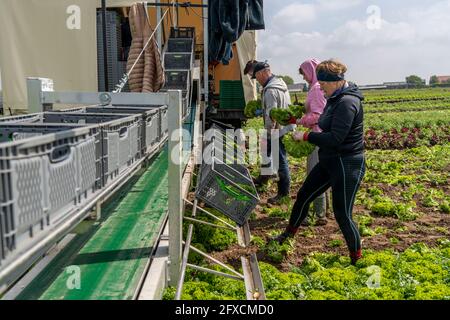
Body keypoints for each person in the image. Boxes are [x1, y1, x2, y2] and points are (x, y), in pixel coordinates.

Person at [272, 59, 366, 265]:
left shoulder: (347, 102)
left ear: (334, 81)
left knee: (343, 214)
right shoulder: (334, 97)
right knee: (304, 196)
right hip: (330, 160)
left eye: (322, 83)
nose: (319, 87)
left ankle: (356, 259)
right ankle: (287, 236)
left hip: (347, 163)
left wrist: (306, 137)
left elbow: (335, 138)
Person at [245, 61, 293, 205]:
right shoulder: (280, 84)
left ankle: (283, 193)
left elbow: (271, 114)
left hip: (277, 130)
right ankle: (264, 178)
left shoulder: (271, 90)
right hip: (284, 127)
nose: (257, 81)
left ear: (263, 73)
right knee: (267, 152)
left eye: (256, 77)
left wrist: (268, 132)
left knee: (280, 161)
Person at [297, 59, 328, 226]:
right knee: (323, 174)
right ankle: (322, 211)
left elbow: (317, 115)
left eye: (304, 74)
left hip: (317, 136)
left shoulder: (316, 89)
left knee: (314, 176)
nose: (305, 78)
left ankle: (318, 215)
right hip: (322, 136)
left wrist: (300, 120)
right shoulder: (318, 87)